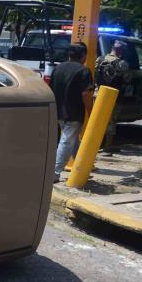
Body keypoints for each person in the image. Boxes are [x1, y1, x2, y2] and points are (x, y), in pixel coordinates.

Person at [50, 43, 93, 183]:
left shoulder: (58, 68)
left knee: (73, 141)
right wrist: (91, 111)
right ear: (84, 56)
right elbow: (86, 94)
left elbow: (50, 88)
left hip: (58, 110)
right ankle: (54, 173)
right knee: (67, 141)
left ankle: (81, 168)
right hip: (73, 112)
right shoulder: (84, 71)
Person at [95, 40, 131, 150]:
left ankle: (94, 144)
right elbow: (128, 79)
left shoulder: (99, 59)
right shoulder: (122, 64)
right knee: (111, 121)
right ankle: (107, 145)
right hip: (114, 96)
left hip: (99, 94)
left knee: (97, 119)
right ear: (121, 51)